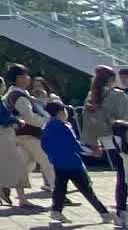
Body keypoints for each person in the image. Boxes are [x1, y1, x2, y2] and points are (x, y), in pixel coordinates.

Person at [42, 99, 110, 224]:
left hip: (58, 163)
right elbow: (75, 146)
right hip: (73, 163)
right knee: (87, 190)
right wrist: (92, 152)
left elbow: (44, 146)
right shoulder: (65, 127)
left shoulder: (46, 127)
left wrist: (53, 157)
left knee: (60, 188)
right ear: (60, 112)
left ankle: (56, 211)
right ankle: (104, 213)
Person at [78, 65, 127, 227]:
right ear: (112, 79)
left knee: (121, 176)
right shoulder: (117, 95)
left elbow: (88, 124)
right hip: (123, 140)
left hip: (107, 142)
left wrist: (93, 144)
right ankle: (122, 212)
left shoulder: (91, 96)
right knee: (125, 176)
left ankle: (121, 211)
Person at [5, 63, 55, 198]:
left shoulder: (16, 93)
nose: (28, 78)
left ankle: (3, 185)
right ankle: (59, 193)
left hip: (22, 134)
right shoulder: (19, 96)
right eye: (25, 75)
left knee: (27, 164)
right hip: (29, 134)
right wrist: (47, 122)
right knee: (47, 162)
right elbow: (29, 117)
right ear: (19, 78)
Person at [0, 73, 32, 208]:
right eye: (2, 84)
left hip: (3, 134)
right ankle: (17, 196)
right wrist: (16, 121)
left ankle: (5, 189)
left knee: (10, 164)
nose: (4, 86)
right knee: (16, 164)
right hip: (2, 134)